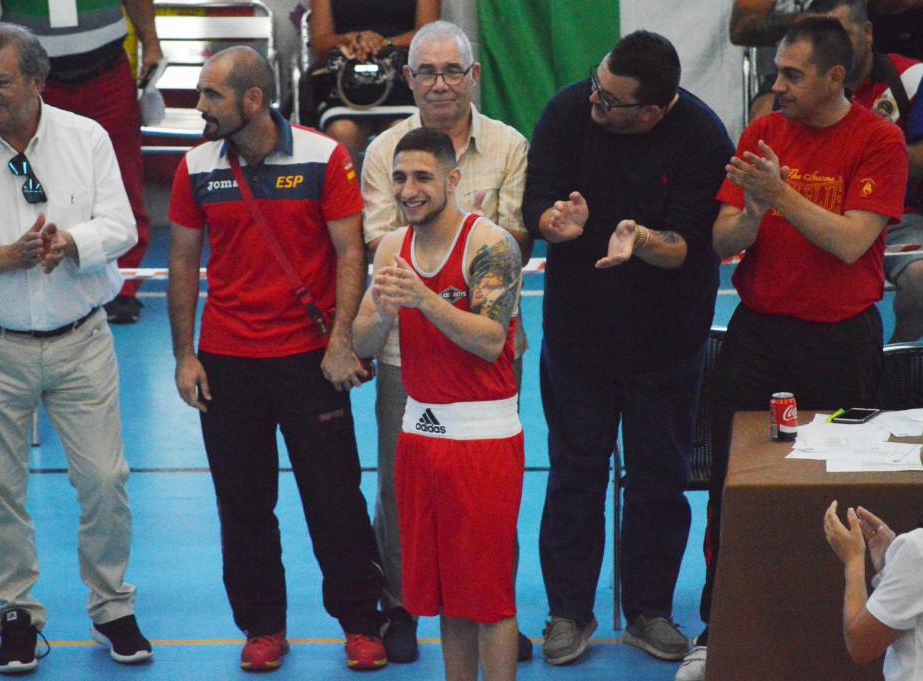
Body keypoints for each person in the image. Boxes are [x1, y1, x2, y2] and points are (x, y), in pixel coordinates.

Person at [680, 16, 909, 681]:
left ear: (836, 77)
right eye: (776, 71)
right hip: (762, 338)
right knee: (735, 489)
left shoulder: (879, 139)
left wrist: (779, 193)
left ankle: (843, 629)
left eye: (791, 74)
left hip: (840, 344)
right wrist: (753, 212)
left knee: (841, 488)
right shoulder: (762, 133)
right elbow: (724, 243)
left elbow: (850, 241)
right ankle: (715, 630)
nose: (776, 85)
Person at [0, 23, 149, 674]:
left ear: (38, 81)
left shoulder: (88, 139)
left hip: (82, 342)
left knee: (105, 479)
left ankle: (112, 605)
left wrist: (68, 244)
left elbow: (122, 225)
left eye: (2, 81)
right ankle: (16, 613)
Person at [166, 45, 387, 672]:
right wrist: (185, 356)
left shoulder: (325, 156)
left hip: (308, 362)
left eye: (212, 94)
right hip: (228, 360)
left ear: (253, 100)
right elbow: (182, 263)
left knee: (334, 497)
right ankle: (263, 626)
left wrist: (341, 340)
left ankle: (360, 624)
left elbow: (351, 254)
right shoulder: (195, 167)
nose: (200, 105)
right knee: (242, 501)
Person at [523, 30, 734, 666]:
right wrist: (551, 224)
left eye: (611, 100)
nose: (595, 100)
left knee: (659, 480)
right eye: (596, 83)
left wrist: (638, 238)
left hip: (667, 343)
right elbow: (537, 199)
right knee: (573, 475)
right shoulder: (567, 110)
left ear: (653, 110)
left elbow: (690, 246)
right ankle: (568, 612)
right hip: (578, 339)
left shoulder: (701, 135)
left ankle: (649, 610)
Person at [359, 19, 533, 664]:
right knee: (443, 593)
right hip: (420, 424)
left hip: (483, 430)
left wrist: (425, 298)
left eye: (422, 179)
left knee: (486, 592)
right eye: (401, 178)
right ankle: (404, 614)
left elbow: (491, 340)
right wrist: (382, 309)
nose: (408, 190)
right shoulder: (390, 242)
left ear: (453, 180)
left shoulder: (488, 243)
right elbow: (365, 334)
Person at [0, 0, 163, 324]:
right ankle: (43, 271)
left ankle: (124, 286)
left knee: (124, 178)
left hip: (108, 73)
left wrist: (152, 44)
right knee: (37, 180)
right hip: (35, 81)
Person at [811, 0, 923, 342]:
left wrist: (864, 154)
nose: (831, 49)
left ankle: (890, 367)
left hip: (898, 218)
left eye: (840, 35)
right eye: (820, 37)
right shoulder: (803, 82)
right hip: (815, 213)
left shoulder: (911, 77)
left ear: (868, 32)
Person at [823, 402, 923, 680]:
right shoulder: (917, 554)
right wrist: (893, 568)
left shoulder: (921, 551)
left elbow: (860, 646)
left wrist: (853, 562)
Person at [309, 0, 440, 164]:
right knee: (342, 131)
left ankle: (400, 189)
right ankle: (349, 190)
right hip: (344, 86)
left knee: (404, 132)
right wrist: (351, 39)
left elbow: (429, 34)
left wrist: (384, 43)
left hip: (401, 82)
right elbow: (320, 42)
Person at [730, 0, 814, 120]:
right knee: (763, 117)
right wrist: (802, 20)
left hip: (844, 69)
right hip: (787, 72)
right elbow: (739, 29)